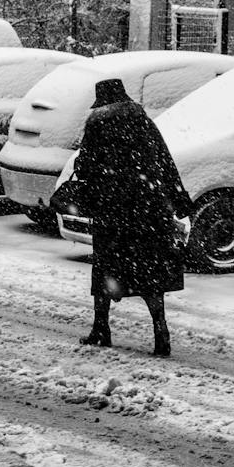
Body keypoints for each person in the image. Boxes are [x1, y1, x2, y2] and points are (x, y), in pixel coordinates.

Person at [68, 78, 192, 356]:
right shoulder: (144, 123)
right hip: (149, 212)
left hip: (113, 212)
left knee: (106, 270)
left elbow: (87, 168)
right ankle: (161, 333)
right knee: (149, 273)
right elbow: (165, 161)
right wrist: (179, 199)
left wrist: (85, 167)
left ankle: (101, 329)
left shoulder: (97, 126)